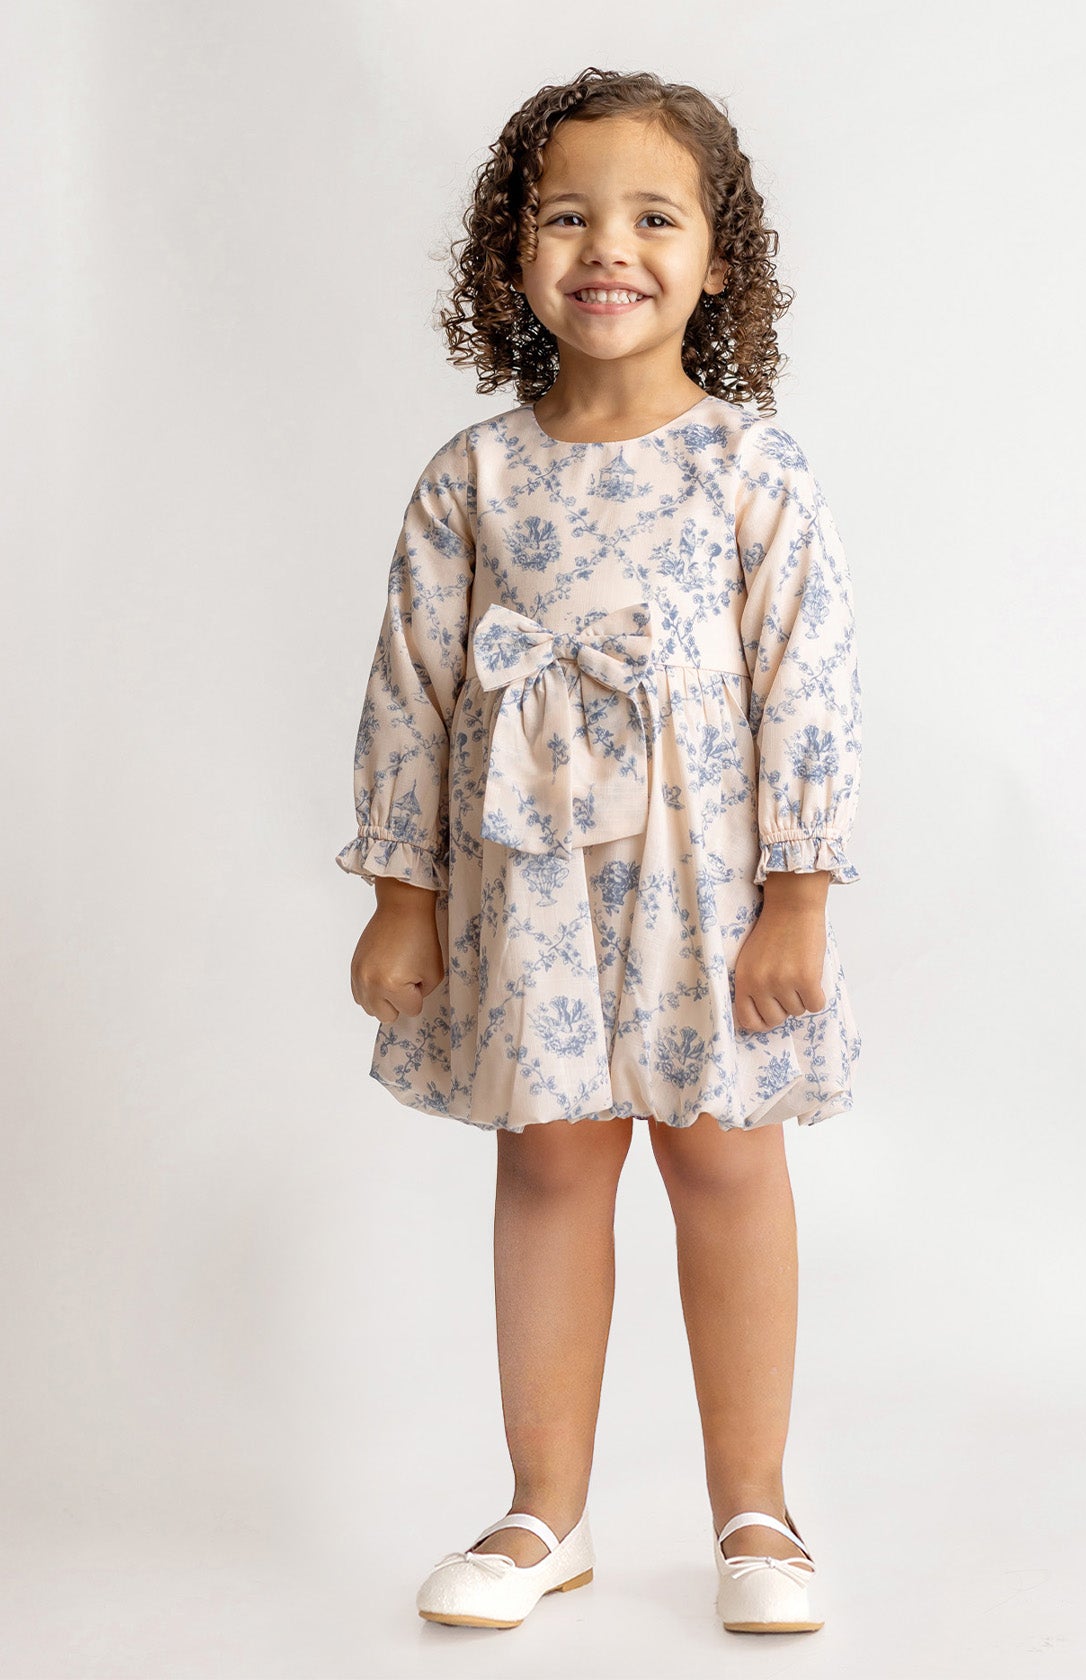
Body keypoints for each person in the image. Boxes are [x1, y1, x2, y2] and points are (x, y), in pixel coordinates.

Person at [335, 67, 864, 1636]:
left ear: (718, 260)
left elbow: (809, 687)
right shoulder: (472, 479)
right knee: (553, 1158)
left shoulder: (754, 472)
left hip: (711, 891)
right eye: (566, 216)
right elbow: (413, 690)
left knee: (721, 1157)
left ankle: (756, 1512)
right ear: (513, 256)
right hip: (530, 885)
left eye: (653, 216)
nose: (607, 247)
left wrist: (799, 898)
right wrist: (400, 898)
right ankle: (542, 1511)